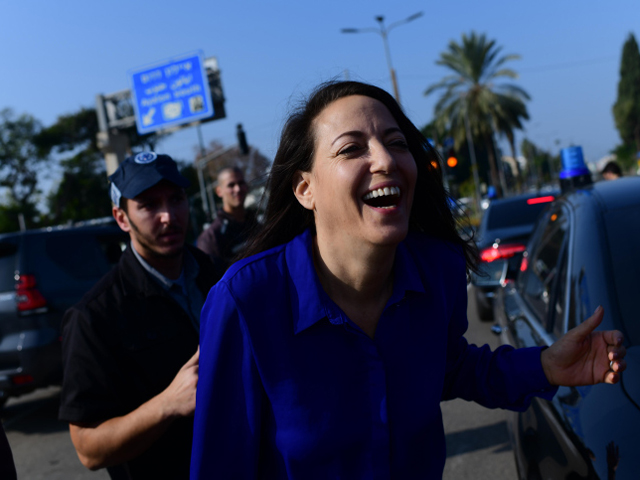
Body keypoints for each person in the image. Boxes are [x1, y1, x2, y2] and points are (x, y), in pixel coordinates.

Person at [190, 81, 627, 479]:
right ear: (306, 190)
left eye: (396, 143)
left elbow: (451, 366)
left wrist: (545, 365)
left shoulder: (440, 269)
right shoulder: (244, 301)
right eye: (351, 149)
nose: (384, 160)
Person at [59, 152, 218, 479]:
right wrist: (167, 404)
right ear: (121, 218)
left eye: (176, 199)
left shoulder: (219, 277)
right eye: (148, 205)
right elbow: (88, 449)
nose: (168, 216)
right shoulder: (94, 317)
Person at [196, 166, 256, 276]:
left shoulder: (258, 225)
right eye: (231, 185)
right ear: (219, 191)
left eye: (241, 183)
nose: (237, 189)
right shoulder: (210, 238)